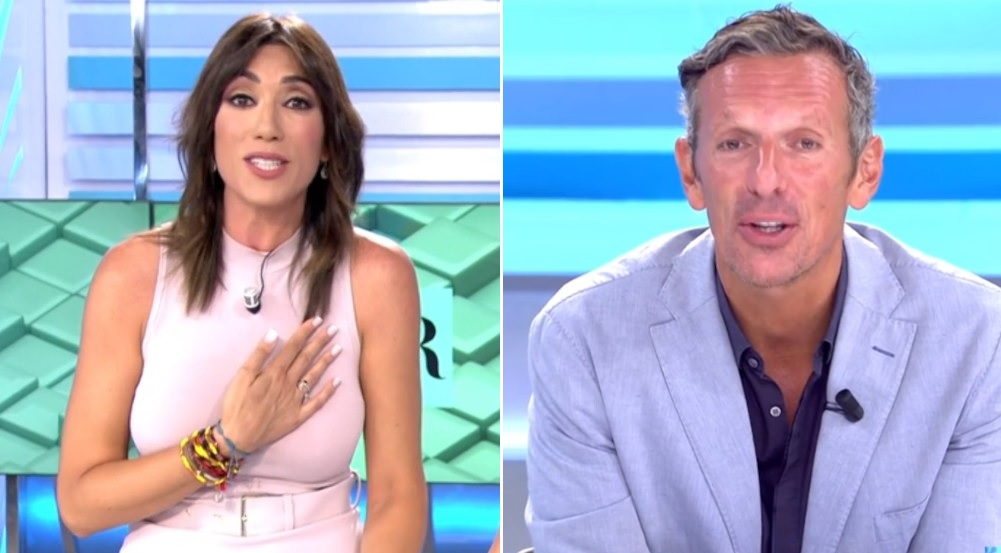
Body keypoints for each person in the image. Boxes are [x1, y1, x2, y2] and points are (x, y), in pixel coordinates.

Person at [524, 5, 1001, 553]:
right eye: (735, 143)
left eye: (804, 143)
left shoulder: (976, 340)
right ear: (691, 172)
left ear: (864, 171)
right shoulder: (582, 340)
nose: (766, 180)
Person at [56, 13, 428, 552]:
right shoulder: (132, 273)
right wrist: (224, 443)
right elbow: (81, 503)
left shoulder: (378, 276)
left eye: (296, 102)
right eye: (242, 99)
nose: (267, 126)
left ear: (329, 140)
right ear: (210, 130)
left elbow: (398, 493)